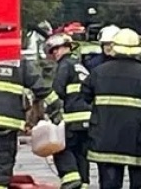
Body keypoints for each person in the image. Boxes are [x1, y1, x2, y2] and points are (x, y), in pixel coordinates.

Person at [82, 27, 141, 189]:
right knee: (139, 182)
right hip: (138, 139)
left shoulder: (98, 72)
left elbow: (85, 96)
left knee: (109, 183)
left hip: (106, 137)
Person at [0, 58, 62, 189]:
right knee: (4, 161)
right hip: (9, 122)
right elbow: (40, 87)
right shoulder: (21, 63)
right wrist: (55, 105)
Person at [46, 33, 93, 189]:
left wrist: (50, 113)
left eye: (57, 49)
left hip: (73, 119)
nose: (55, 53)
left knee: (62, 149)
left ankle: (70, 181)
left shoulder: (64, 66)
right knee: (82, 154)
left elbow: (57, 91)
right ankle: (84, 184)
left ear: (67, 47)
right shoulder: (80, 65)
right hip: (88, 119)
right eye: (52, 51)